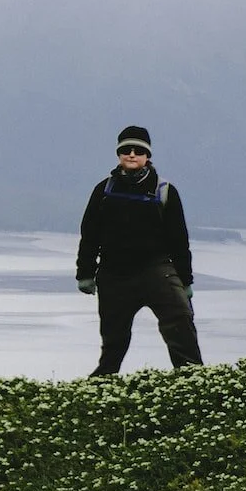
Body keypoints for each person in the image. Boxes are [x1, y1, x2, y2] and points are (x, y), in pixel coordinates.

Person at [76, 125, 203, 376]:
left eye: (138, 150)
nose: (132, 154)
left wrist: (185, 281)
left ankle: (194, 380)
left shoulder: (165, 191)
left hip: (157, 269)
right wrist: (85, 273)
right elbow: (89, 235)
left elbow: (179, 240)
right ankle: (103, 384)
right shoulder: (104, 190)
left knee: (180, 323)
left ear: (148, 156)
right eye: (126, 150)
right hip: (114, 273)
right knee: (113, 339)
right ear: (119, 155)